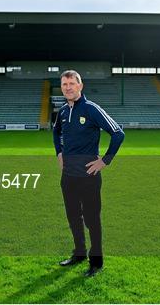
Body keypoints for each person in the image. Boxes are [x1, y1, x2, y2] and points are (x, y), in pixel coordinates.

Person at [53, 69, 125, 277]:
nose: (68, 87)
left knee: (92, 219)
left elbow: (118, 133)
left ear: (80, 86)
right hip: (68, 176)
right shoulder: (63, 112)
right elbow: (56, 133)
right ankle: (79, 253)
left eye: (71, 84)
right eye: (64, 84)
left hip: (89, 177)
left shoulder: (92, 109)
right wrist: (59, 153)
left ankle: (96, 262)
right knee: (73, 216)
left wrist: (104, 161)